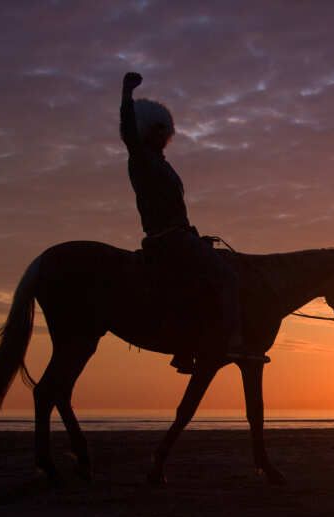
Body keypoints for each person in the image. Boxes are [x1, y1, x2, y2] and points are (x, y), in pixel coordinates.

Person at [120, 71, 247, 373]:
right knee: (227, 278)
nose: (166, 134)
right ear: (147, 130)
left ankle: (190, 344)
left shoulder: (161, 163)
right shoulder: (140, 158)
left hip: (180, 235)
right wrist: (126, 93)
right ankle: (227, 343)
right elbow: (127, 129)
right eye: (160, 129)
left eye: (167, 130)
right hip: (167, 240)